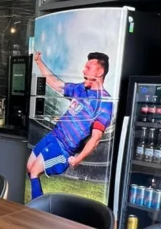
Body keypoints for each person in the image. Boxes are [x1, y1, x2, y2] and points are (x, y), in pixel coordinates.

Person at [27, 51, 112, 199]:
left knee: (34, 171)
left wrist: (78, 159)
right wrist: (39, 62)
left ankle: (35, 210)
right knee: (29, 168)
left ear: (100, 72)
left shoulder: (104, 102)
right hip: (53, 136)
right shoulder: (80, 89)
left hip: (63, 149)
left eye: (88, 68)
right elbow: (55, 84)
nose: (83, 70)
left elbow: (96, 138)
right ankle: (41, 203)